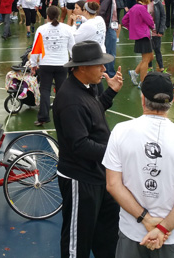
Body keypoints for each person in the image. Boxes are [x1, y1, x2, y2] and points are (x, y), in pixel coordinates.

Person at [103, 72, 174, 257]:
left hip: (133, 232)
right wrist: (163, 228)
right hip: (173, 236)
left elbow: (113, 184)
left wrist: (145, 219)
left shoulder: (120, 131)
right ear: (172, 100)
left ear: (143, 99)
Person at [53, 41, 124, 258]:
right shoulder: (70, 100)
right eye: (98, 65)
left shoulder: (86, 87)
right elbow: (79, 145)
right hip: (80, 179)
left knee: (107, 234)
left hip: (98, 175)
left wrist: (111, 92)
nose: (104, 69)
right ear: (82, 67)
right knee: (78, 240)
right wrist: (116, 153)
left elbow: (93, 111)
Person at [29, 6, 75, 126]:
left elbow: (36, 49)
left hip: (46, 64)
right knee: (61, 91)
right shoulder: (67, 29)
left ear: (47, 16)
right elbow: (72, 48)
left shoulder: (41, 29)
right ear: (59, 16)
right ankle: (63, 116)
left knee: (45, 90)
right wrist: (74, 62)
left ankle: (43, 117)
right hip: (62, 64)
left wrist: (33, 64)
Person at [123, 0, 155, 86]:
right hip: (144, 35)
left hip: (139, 35)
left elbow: (124, 20)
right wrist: (152, 27)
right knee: (146, 60)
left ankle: (135, 72)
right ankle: (142, 82)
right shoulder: (142, 8)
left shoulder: (133, 8)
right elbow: (149, 20)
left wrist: (132, 29)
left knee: (150, 57)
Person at [99, 0, 123, 78]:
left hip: (110, 27)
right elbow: (102, 12)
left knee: (109, 51)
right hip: (108, 28)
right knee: (111, 52)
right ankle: (110, 73)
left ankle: (106, 72)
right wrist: (104, 26)